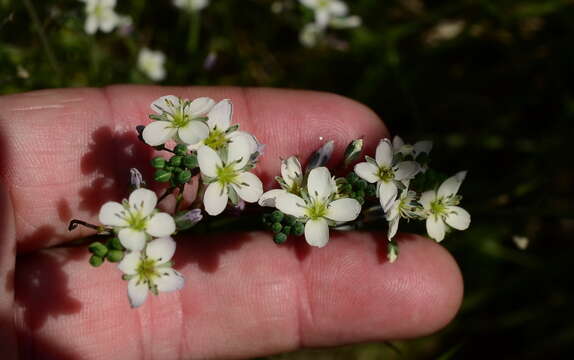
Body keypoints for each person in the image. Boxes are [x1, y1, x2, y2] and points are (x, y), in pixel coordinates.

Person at [0, 86, 463, 359]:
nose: (219, 152)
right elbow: (193, 182)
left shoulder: (206, 167)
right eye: (217, 151)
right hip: (160, 220)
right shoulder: (195, 163)